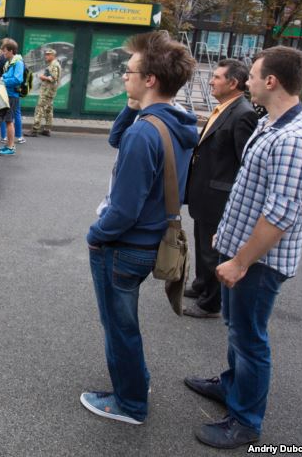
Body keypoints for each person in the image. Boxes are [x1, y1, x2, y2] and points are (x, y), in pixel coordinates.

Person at [186, 46, 302, 449]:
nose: (246, 81)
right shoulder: (271, 123)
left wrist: (240, 260)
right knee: (237, 329)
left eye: (252, 75)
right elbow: (248, 190)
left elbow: (279, 216)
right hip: (242, 252)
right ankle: (231, 386)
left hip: (258, 263)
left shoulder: (296, 140)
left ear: (271, 81)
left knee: (250, 339)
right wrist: (227, 235)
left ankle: (245, 420)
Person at [82, 31, 198, 425]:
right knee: (125, 325)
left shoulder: (144, 132)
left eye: (129, 71)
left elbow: (124, 209)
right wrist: (133, 105)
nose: (123, 76)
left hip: (124, 245)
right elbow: (117, 138)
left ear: (150, 79)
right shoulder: (176, 121)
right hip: (152, 241)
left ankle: (130, 404)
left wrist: (96, 236)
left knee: (119, 328)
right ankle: (136, 384)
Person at [183, 59, 258, 319]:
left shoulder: (244, 114)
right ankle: (201, 285)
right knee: (202, 243)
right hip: (205, 193)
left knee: (212, 250)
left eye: (216, 77)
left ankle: (211, 303)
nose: (211, 81)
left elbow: (245, 162)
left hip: (219, 196)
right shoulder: (224, 108)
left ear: (233, 83)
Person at [0, 39, 25, 156]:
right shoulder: (11, 62)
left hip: (12, 95)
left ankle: (11, 147)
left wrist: (3, 80)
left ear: (11, 51)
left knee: (9, 121)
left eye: (5, 51)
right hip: (8, 94)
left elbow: (18, 79)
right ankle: (9, 144)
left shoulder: (18, 63)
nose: (3, 53)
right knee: (7, 120)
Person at [28, 48, 61, 137]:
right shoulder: (54, 64)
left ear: (53, 56)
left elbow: (53, 78)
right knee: (48, 109)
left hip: (47, 91)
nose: (46, 56)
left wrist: (43, 77)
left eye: (48, 54)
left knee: (39, 108)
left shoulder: (54, 65)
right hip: (50, 91)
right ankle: (47, 129)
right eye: (46, 54)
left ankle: (35, 130)